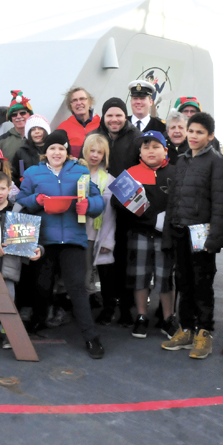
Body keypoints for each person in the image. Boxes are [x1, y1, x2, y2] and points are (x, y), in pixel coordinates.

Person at [16, 129, 106, 359]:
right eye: (52, 148)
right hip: (44, 239)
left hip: (73, 239)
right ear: (45, 151)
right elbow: (21, 198)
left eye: (61, 148)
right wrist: (35, 200)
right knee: (42, 285)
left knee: (77, 287)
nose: (57, 152)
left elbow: (97, 200)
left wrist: (88, 207)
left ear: (67, 152)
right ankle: (38, 320)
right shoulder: (33, 173)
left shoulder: (80, 171)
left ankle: (91, 336)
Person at [162, 112, 223, 359]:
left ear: (210, 136)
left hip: (201, 236)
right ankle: (186, 328)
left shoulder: (217, 162)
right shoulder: (181, 161)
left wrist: (215, 238)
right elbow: (174, 200)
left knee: (202, 284)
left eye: (199, 132)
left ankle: (204, 332)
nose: (193, 136)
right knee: (183, 282)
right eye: (191, 131)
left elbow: (220, 204)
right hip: (180, 231)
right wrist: (169, 233)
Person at [118, 132, 180, 340]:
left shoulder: (175, 172)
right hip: (140, 233)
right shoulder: (131, 174)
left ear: (165, 150)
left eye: (155, 146)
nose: (150, 151)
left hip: (166, 236)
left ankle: (168, 317)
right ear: (140, 152)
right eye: (146, 147)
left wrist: (168, 219)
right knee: (140, 276)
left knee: (165, 278)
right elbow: (118, 203)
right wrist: (150, 218)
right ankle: (142, 316)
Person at [0, 171, 42, 349]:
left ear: (9, 189)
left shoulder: (18, 211)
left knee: (9, 300)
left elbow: (30, 241)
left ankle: (7, 331)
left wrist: (36, 250)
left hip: (10, 267)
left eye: (2, 188)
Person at [92, 97, 139, 327]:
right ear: (103, 117)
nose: (114, 119)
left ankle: (126, 308)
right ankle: (108, 305)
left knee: (126, 259)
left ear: (125, 116)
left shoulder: (136, 137)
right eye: (110, 115)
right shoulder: (96, 136)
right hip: (103, 206)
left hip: (127, 207)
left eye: (118, 115)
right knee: (105, 259)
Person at [78, 134, 116, 298]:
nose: (94, 155)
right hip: (73, 231)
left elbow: (110, 215)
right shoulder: (74, 172)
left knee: (87, 273)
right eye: (92, 150)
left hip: (93, 234)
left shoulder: (108, 180)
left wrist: (108, 241)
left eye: (99, 152)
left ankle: (85, 306)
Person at [56, 87, 100, 159]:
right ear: (71, 106)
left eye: (82, 99)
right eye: (74, 100)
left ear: (90, 103)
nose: (79, 103)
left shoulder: (101, 125)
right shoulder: (63, 128)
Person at [11, 114, 50, 185]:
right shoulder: (21, 152)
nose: (37, 132)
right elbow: (15, 175)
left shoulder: (54, 149)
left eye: (40, 128)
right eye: (33, 130)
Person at [0, 90, 33, 161]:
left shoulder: (39, 137)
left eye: (22, 113)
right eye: (14, 114)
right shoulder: (2, 141)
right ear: (11, 118)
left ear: (30, 115)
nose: (18, 117)